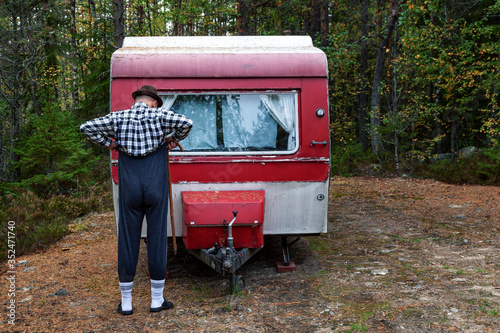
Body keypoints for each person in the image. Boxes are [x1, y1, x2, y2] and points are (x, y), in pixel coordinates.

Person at [80, 85, 193, 315]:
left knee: (128, 239)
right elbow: (187, 123)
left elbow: (86, 127)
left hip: (130, 186)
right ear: (153, 102)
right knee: (157, 238)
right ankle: (156, 300)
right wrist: (172, 139)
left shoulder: (119, 117)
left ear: (137, 101)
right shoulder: (160, 115)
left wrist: (109, 143)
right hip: (155, 185)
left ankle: (127, 302)